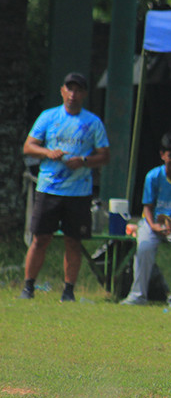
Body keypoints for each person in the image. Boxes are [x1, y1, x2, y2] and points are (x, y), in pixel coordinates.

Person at [21, 72, 111, 302]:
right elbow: (29, 147)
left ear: (84, 94)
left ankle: (68, 291)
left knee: (73, 241)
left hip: (79, 192)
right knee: (40, 238)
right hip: (49, 188)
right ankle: (28, 287)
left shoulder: (92, 123)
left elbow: (105, 155)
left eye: (78, 90)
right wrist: (48, 153)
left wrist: (83, 161)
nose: (73, 94)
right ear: (62, 91)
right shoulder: (48, 117)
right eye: (69, 89)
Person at [121, 132, 171, 307]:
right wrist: (154, 226)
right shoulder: (153, 176)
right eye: (170, 156)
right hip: (152, 222)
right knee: (145, 246)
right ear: (162, 155)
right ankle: (137, 295)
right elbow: (147, 207)